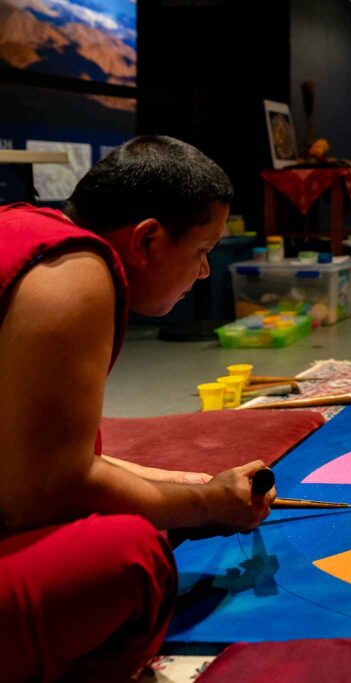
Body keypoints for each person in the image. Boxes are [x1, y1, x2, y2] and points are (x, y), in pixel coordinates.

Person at [0, 136, 276, 681]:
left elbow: (31, 455)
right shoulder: (75, 275)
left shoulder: (20, 225)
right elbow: (43, 494)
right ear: (148, 240)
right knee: (132, 557)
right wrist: (199, 506)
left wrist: (197, 490)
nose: (202, 274)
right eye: (201, 252)